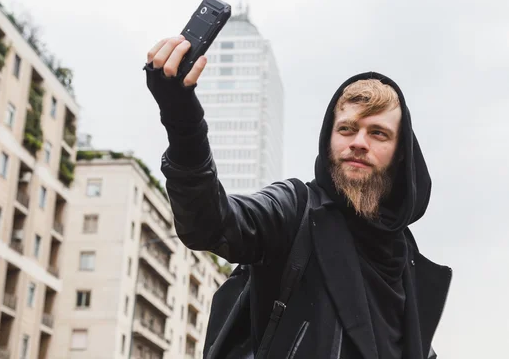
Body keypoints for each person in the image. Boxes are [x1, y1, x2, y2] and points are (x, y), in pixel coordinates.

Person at [144, 35, 452, 359]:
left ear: (401, 153)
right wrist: (184, 125)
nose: (359, 142)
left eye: (378, 133)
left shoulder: (408, 261)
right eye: (346, 129)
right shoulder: (295, 208)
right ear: (328, 138)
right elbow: (211, 223)